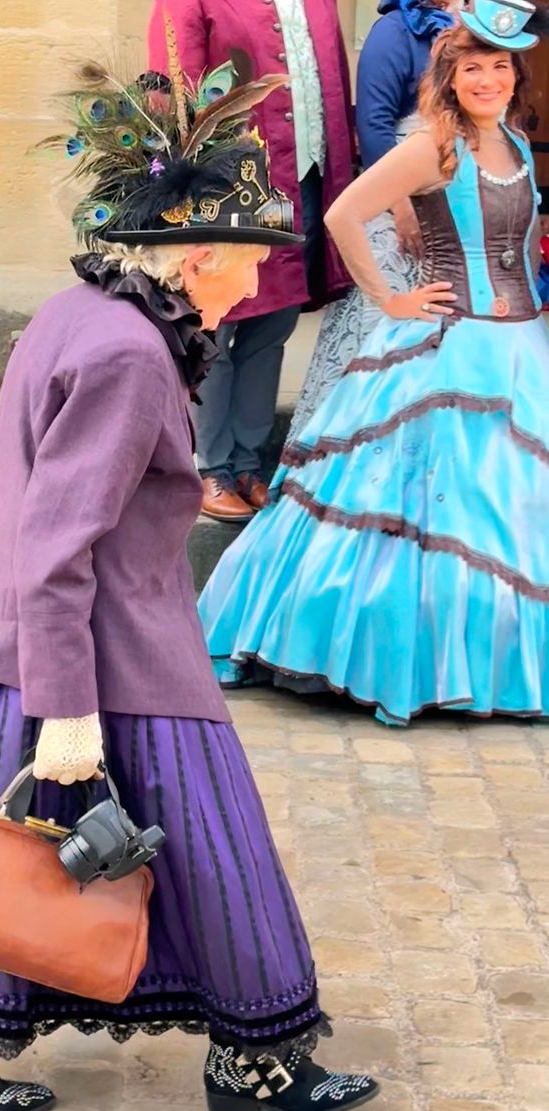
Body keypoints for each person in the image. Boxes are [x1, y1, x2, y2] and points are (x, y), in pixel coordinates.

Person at [0, 57, 378, 1111]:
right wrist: (64, 711)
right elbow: (58, 545)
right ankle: (255, 1061)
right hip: (94, 654)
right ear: (197, 256)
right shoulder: (128, 357)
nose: (261, 279)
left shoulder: (85, 312)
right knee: (213, 853)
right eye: (253, 258)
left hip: (7, 647)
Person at [199, 0, 549, 727]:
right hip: (447, 350)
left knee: (506, 508)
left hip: (518, 348)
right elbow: (343, 213)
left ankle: (499, 658)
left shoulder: (516, 143)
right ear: (450, 78)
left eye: (499, 66)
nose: (488, 80)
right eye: (473, 68)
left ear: (517, 75)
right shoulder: (435, 147)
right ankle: (405, 659)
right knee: (428, 510)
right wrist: (390, 298)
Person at [148, 0, 355, 522]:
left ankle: (247, 464)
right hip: (231, 186)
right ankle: (209, 465)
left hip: (301, 183)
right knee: (216, 325)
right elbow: (176, 91)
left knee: (273, 324)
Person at [290, 0, 456, 435]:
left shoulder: (478, 27)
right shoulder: (394, 31)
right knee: (385, 328)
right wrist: (400, 205)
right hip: (396, 200)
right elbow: (375, 122)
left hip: (448, 207)